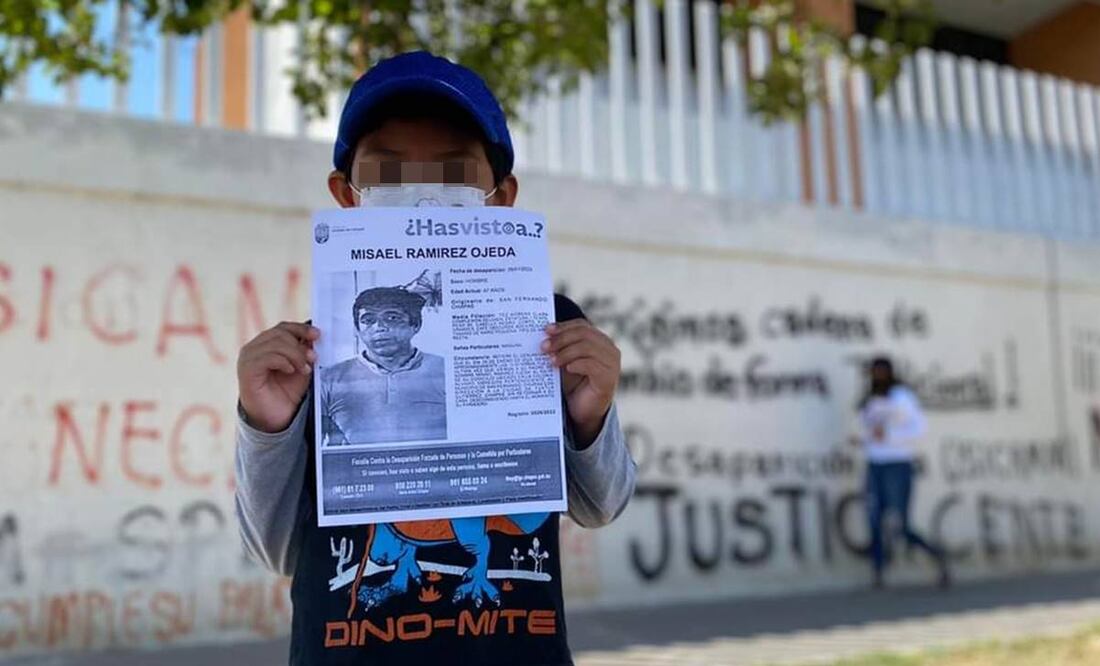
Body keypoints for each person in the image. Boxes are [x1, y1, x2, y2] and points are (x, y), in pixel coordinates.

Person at [234, 50, 636, 666]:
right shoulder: (311, 355)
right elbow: (275, 552)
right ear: (346, 195)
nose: (421, 198)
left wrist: (591, 418)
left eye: (453, 173)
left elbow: (600, 504)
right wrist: (266, 428)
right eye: (389, 176)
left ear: (502, 198)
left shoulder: (548, 327)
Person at [857, 356, 951, 589]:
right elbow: (865, 429)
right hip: (875, 464)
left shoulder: (901, 397)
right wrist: (864, 438)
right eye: (873, 372)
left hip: (897, 465)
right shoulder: (869, 401)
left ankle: (937, 559)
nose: (877, 377)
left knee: (900, 525)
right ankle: (878, 572)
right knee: (874, 520)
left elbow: (919, 429)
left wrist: (888, 437)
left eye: (881, 372)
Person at [321, 286, 446, 445]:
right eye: (368, 320)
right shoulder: (328, 379)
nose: (379, 327)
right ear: (357, 330)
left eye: (392, 318)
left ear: (415, 325)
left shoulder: (446, 371)